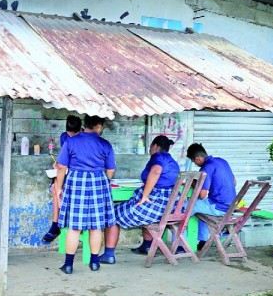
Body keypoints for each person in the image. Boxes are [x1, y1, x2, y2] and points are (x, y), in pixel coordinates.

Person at [100, 135, 180, 263]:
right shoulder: (172, 162)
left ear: (155, 146)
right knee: (135, 208)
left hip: (154, 206)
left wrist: (144, 196)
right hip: (168, 209)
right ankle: (146, 246)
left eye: (150, 146)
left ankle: (108, 255)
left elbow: (155, 171)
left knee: (112, 215)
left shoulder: (157, 157)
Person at [54, 115, 115, 274]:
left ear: (84, 124)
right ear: (99, 126)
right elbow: (110, 170)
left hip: (76, 182)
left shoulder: (71, 141)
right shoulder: (105, 144)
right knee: (97, 226)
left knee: (74, 227)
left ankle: (68, 265)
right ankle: (94, 262)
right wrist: (102, 182)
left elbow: (61, 167)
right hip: (98, 181)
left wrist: (59, 187)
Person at [186, 143, 236, 250]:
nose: (195, 164)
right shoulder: (222, 161)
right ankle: (203, 241)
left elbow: (202, 195)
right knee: (201, 209)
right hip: (231, 207)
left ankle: (182, 245)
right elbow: (234, 182)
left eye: (194, 161)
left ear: (198, 158)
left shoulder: (206, 168)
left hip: (219, 207)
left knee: (186, 206)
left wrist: (194, 183)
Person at [42, 115, 82, 243]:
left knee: (58, 190)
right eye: (69, 134)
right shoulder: (64, 137)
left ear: (80, 130)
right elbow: (64, 159)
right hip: (66, 172)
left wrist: (62, 165)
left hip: (79, 175)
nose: (70, 137)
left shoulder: (84, 139)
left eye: (73, 134)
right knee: (55, 188)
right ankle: (56, 224)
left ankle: (61, 223)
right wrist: (58, 164)